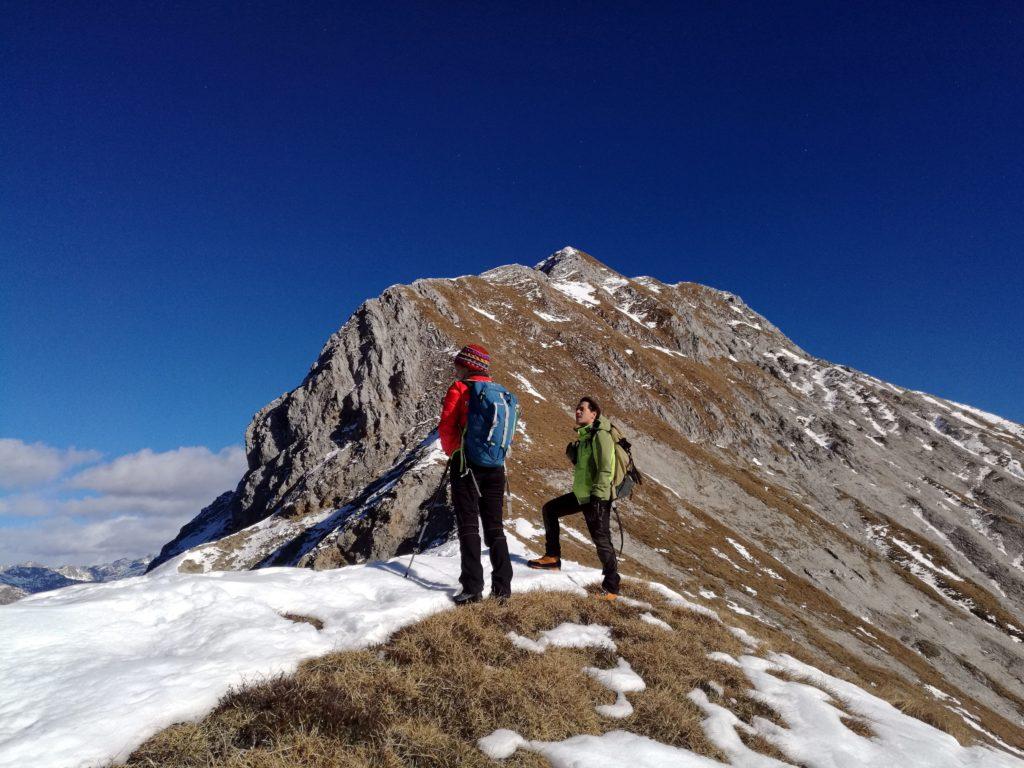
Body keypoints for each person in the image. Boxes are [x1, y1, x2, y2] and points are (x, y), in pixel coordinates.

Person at [438, 343, 514, 605]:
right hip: (496, 467)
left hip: (466, 465)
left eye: (459, 363)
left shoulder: (460, 389)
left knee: (469, 525)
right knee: (495, 527)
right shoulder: (500, 392)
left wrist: (454, 453)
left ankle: (472, 588)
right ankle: (503, 589)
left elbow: (447, 427)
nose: (455, 368)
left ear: (467, 365)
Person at [527, 396, 620, 599]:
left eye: (582, 409)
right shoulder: (586, 437)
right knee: (550, 509)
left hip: (597, 497)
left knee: (601, 540)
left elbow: (606, 468)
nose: (577, 411)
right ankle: (552, 557)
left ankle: (612, 587)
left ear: (594, 414)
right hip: (582, 494)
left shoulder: (601, 435)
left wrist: (598, 497)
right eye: (577, 408)